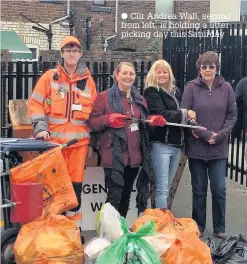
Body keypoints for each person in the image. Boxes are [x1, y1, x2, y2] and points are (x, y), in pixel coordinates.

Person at [28, 36, 97, 214]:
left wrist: (92, 143)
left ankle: (71, 233)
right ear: (62, 53)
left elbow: (94, 113)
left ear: (80, 53)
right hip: (53, 145)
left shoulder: (88, 81)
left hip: (78, 147)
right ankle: (53, 233)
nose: (72, 54)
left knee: (74, 192)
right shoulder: (50, 77)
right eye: (68, 50)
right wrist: (41, 129)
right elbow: (35, 104)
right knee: (52, 190)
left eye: (75, 51)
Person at [88, 62, 166, 217]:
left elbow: (143, 123)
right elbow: (92, 123)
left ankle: (121, 234)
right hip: (113, 155)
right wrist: (108, 119)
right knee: (113, 199)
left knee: (125, 197)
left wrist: (153, 120)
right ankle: (108, 235)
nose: (128, 76)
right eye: (124, 73)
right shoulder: (104, 97)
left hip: (134, 157)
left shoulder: (139, 99)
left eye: (131, 74)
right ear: (116, 75)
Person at [181, 51, 237, 238]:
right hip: (197, 148)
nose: (207, 70)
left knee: (219, 189)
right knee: (199, 190)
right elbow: (185, 116)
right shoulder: (190, 88)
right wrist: (205, 134)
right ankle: (198, 227)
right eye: (204, 66)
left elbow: (232, 115)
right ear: (199, 69)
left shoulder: (227, 88)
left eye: (211, 66)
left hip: (218, 149)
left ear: (216, 68)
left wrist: (220, 136)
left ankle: (220, 228)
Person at [143, 59, 196, 210]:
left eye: (165, 71)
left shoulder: (175, 91)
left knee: (167, 186)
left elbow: (181, 113)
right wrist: (185, 113)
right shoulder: (151, 91)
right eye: (158, 72)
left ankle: (162, 218)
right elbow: (163, 114)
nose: (162, 74)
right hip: (161, 144)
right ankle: (162, 224)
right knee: (161, 187)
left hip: (177, 144)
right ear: (153, 74)